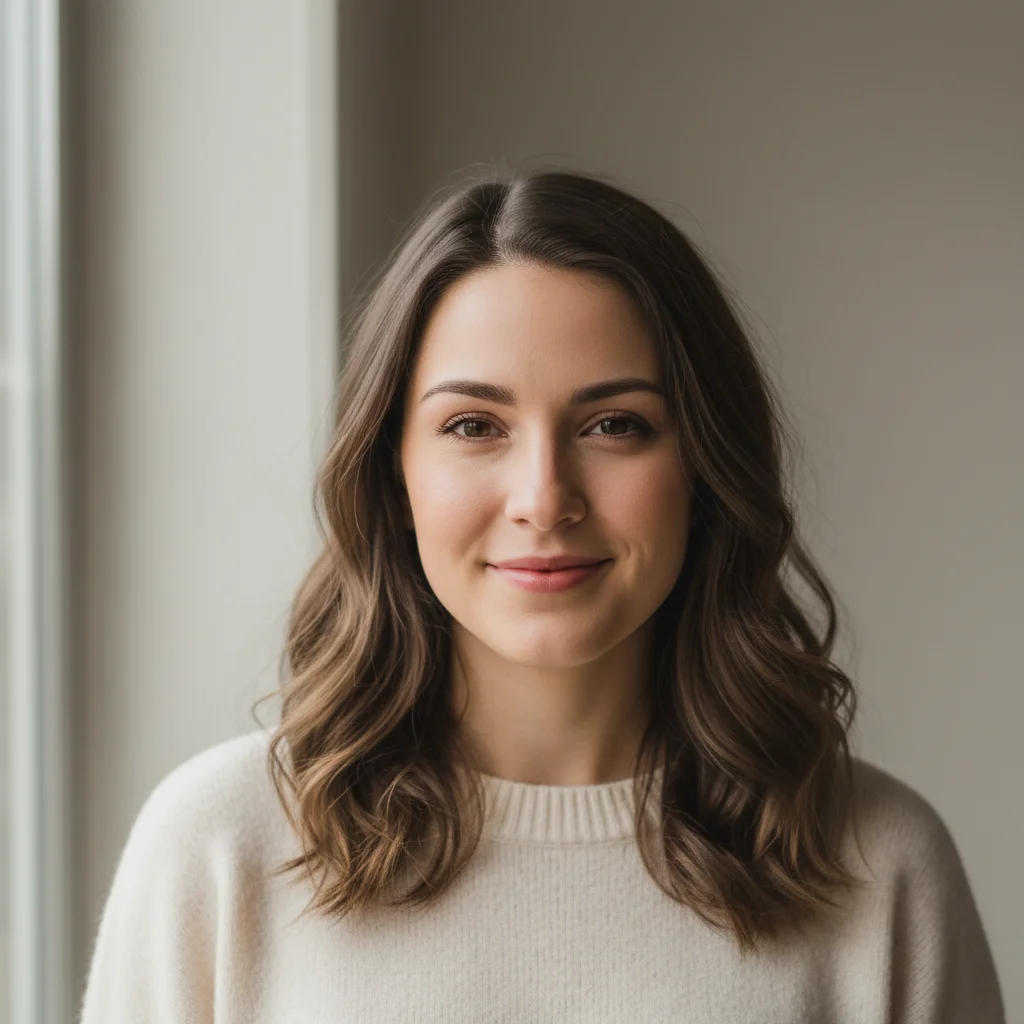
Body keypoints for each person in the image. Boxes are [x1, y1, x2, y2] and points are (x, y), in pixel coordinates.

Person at [78, 167, 1006, 1022]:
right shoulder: (217, 849)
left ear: (704, 470)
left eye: (614, 425)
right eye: (474, 425)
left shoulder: (880, 865)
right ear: (394, 472)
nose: (543, 500)